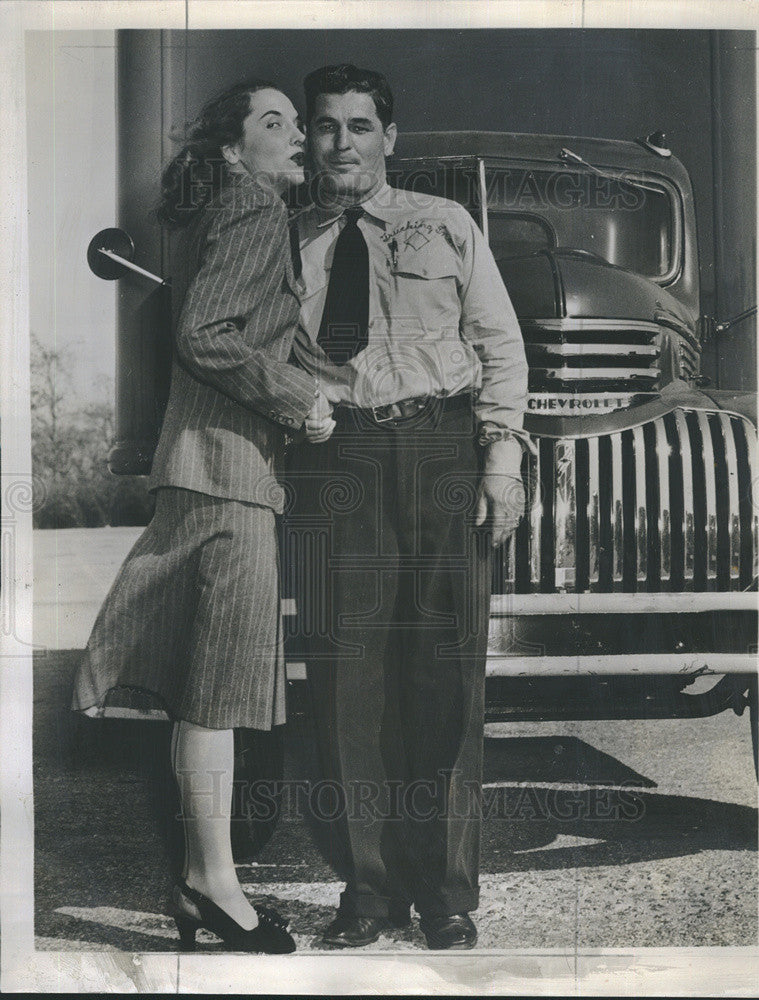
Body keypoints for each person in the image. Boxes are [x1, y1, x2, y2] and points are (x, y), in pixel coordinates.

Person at [72, 78, 336, 953]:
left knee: (205, 689)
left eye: (298, 122)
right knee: (219, 691)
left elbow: (235, 333)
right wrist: (298, 399)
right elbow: (208, 337)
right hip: (228, 476)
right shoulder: (257, 210)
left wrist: (327, 383)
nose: (298, 134)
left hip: (206, 470)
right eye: (276, 123)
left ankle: (201, 880)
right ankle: (215, 886)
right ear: (234, 149)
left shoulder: (222, 211)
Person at [287, 63, 528, 950]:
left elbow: (499, 345)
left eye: (359, 125)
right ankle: (368, 890)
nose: (341, 142)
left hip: (440, 451)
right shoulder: (286, 238)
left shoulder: (446, 224)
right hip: (336, 457)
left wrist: (501, 460)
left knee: (445, 679)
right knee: (345, 682)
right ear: (309, 140)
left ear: (390, 137)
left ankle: (447, 894)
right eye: (325, 126)